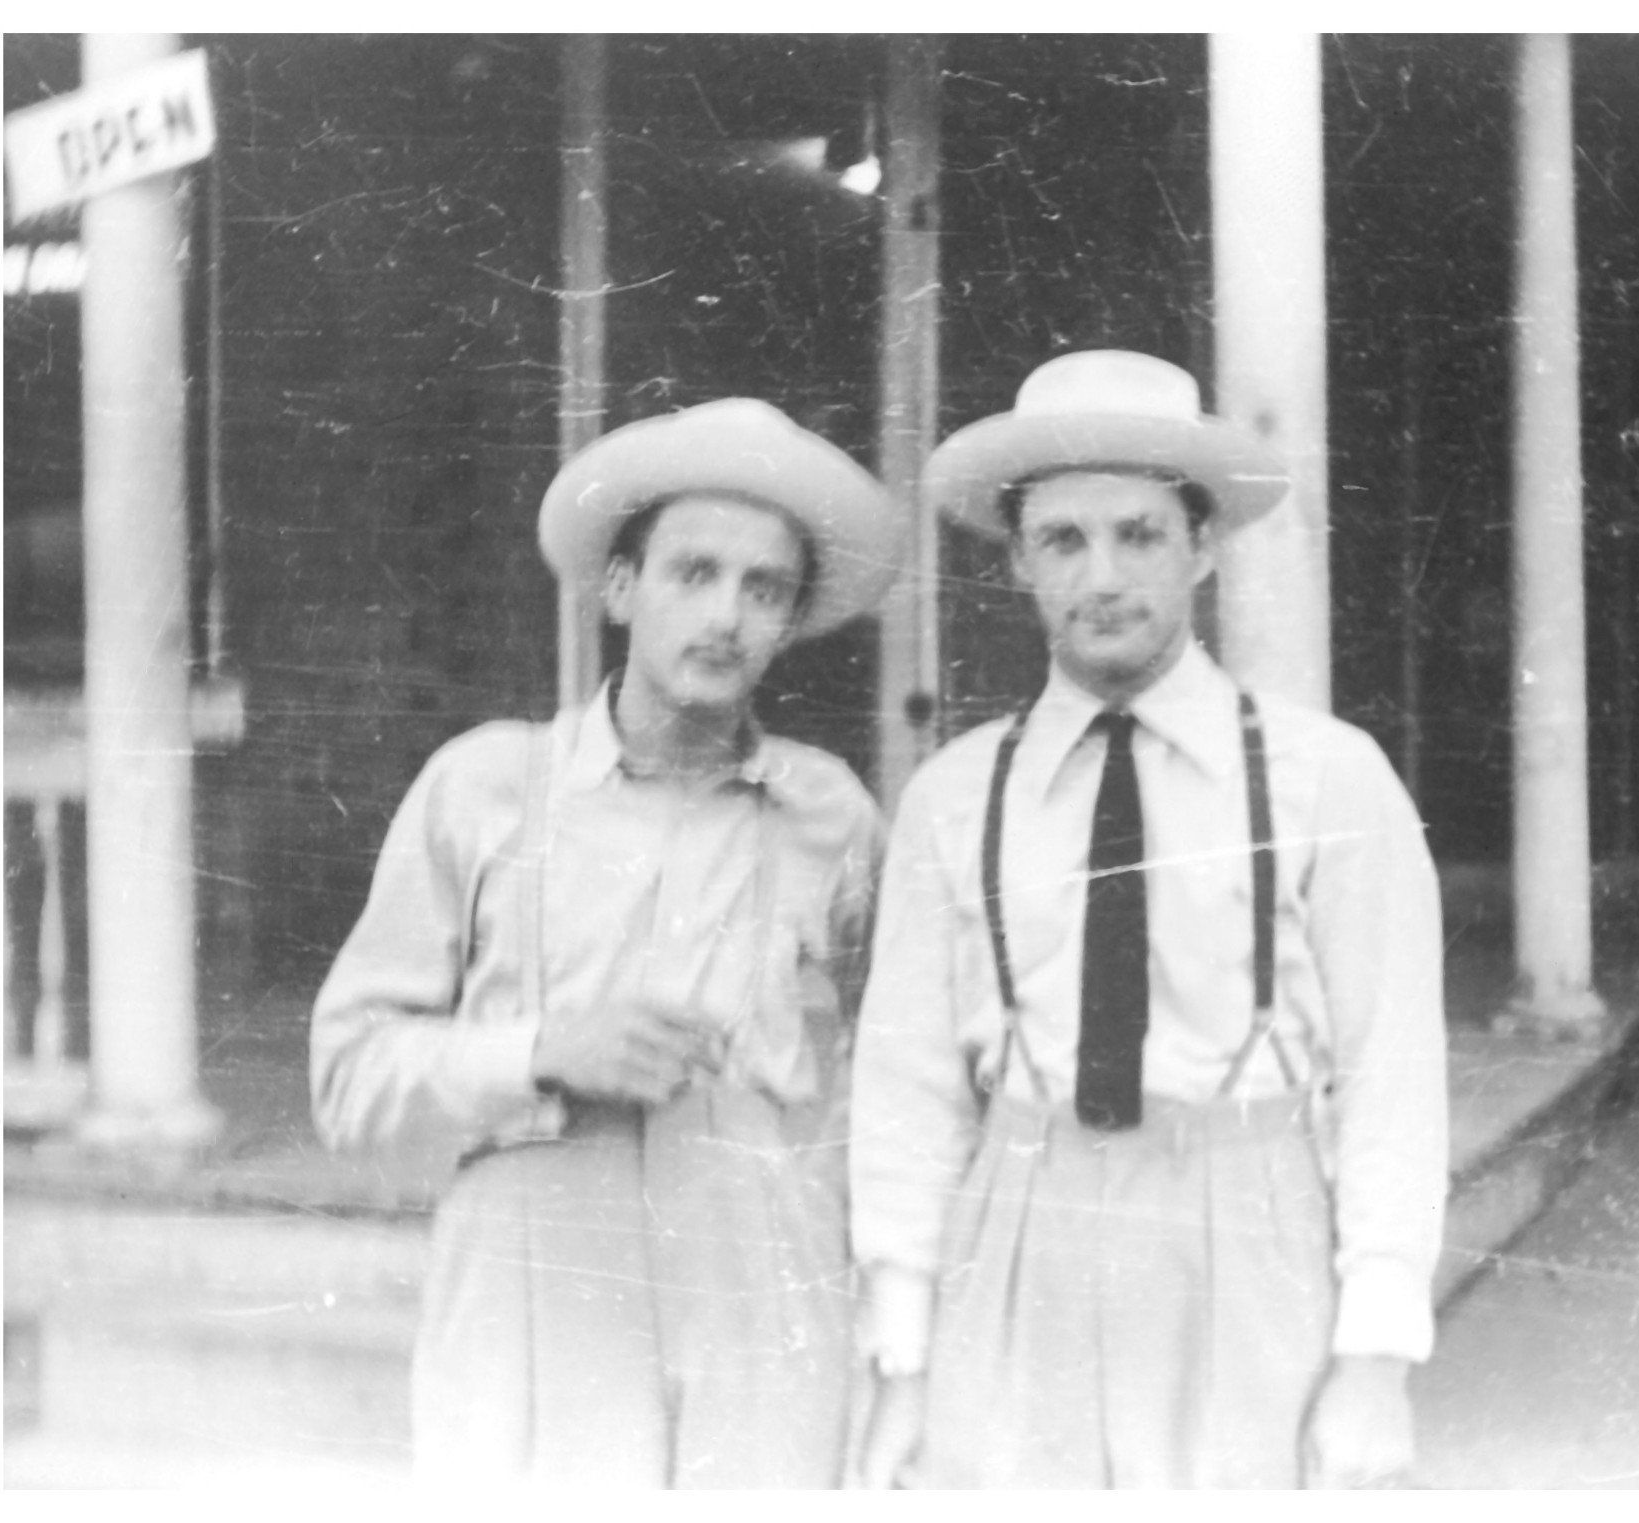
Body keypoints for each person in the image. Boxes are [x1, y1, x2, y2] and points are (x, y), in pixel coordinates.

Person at [848, 351, 1448, 1489]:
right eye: (1065, 542)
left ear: (1204, 547)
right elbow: (907, 1091)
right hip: (1020, 1224)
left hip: (1248, 1226)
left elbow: (1392, 1078)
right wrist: (905, 1358)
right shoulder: (957, 794)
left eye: (1140, 534)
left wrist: (1376, 1356)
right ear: (1020, 560)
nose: (1105, 574)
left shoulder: (1330, 777)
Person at [310, 398, 903, 1484]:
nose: (726, 614)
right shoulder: (487, 785)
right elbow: (348, 1077)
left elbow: (887, 1073)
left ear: (790, 619)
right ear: (622, 586)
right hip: (537, 1279)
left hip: (759, 1277)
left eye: (763, 588)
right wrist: (536, 1048)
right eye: (694, 571)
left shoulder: (834, 815)